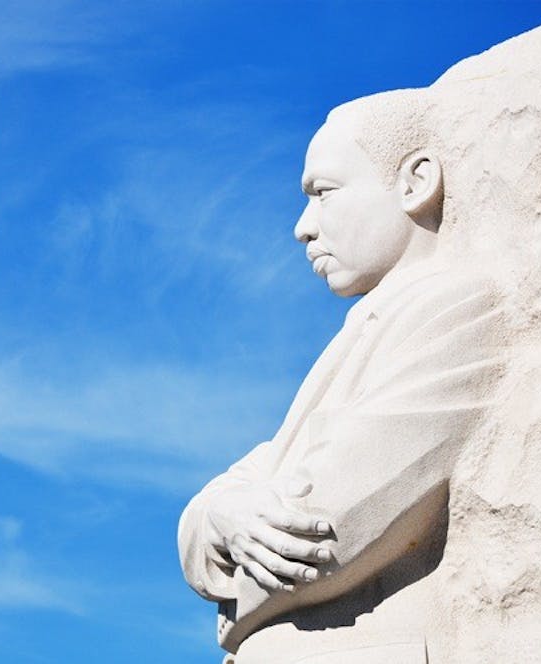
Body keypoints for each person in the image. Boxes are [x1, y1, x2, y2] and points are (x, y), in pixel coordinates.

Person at [178, 89, 511, 663]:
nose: (303, 228)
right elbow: (236, 490)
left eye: (323, 193)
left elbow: (318, 531)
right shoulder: (363, 332)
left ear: (415, 182)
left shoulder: (460, 311)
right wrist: (223, 515)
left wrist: (232, 587)